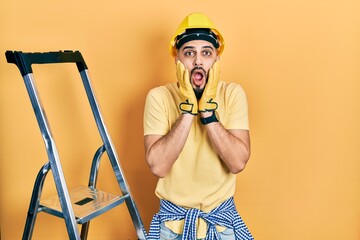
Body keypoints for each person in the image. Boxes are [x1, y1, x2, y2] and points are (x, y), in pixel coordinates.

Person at [144, 13, 254, 240]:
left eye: (206, 53)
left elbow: (237, 162)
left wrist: (207, 112)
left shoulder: (232, 94)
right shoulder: (159, 97)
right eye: (189, 53)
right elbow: (159, 167)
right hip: (172, 227)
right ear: (177, 60)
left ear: (216, 60)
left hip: (221, 225)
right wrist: (188, 110)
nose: (197, 61)